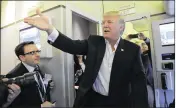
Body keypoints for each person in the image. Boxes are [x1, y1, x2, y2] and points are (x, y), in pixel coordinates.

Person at [24, 9, 148, 108]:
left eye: (109, 22)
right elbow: (71, 45)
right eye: (103, 22)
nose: (105, 25)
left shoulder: (132, 49)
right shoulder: (94, 42)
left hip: (120, 102)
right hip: (94, 100)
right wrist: (50, 29)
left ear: (121, 27)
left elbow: (139, 83)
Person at [5, 41, 55, 107]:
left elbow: (37, 88)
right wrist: (40, 106)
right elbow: (14, 105)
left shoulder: (36, 66)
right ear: (22, 57)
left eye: (37, 51)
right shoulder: (13, 76)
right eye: (32, 53)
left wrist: (47, 86)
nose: (37, 55)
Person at [130, 38, 154, 107]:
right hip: (134, 87)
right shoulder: (130, 59)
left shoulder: (147, 56)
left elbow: (152, 47)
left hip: (147, 85)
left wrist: (145, 39)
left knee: (149, 103)